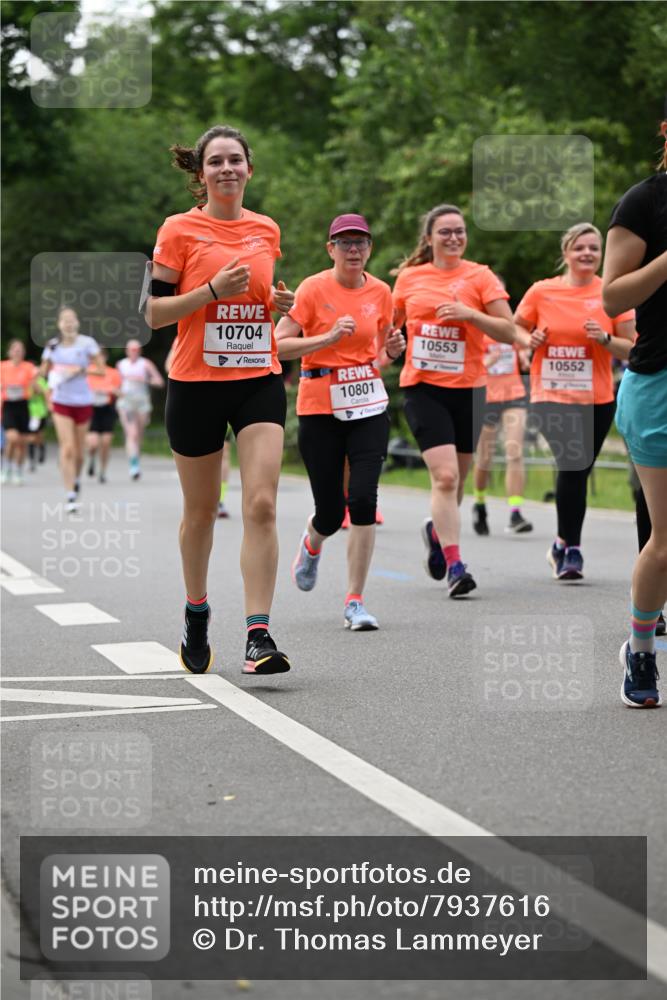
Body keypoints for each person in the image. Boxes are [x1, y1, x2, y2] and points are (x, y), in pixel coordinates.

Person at [146, 123, 294, 675]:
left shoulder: (266, 230)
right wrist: (210, 292)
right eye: (216, 162)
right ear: (201, 172)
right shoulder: (179, 230)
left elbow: (259, 298)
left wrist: (277, 301)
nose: (227, 169)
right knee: (202, 512)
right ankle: (196, 610)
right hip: (195, 384)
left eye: (236, 160)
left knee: (261, 503)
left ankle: (258, 635)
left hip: (257, 378)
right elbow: (154, 314)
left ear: (249, 169)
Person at [275, 213, 405, 630]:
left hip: (367, 403)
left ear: (370, 248)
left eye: (361, 243)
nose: (353, 250)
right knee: (330, 512)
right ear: (330, 249)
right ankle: (312, 544)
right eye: (345, 243)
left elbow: (381, 348)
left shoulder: (381, 292)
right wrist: (326, 338)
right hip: (319, 406)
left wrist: (393, 350)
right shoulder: (313, 289)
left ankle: (354, 601)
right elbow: (280, 346)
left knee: (364, 500)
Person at [392, 203, 515, 597]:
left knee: (457, 482)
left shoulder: (480, 277)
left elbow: (509, 330)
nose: (454, 237)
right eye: (445, 231)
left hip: (470, 388)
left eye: (459, 231)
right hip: (423, 387)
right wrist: (390, 344)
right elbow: (388, 327)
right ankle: (456, 564)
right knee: (444, 477)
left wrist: (470, 315)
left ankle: (436, 529)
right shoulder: (409, 279)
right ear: (429, 239)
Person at [514, 222, 635, 581]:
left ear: (602, 254)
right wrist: (529, 341)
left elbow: (633, 348)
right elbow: (515, 330)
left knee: (578, 471)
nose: (587, 254)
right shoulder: (541, 292)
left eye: (594, 248)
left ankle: (561, 542)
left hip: (596, 398)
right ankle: (574, 552)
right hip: (550, 395)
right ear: (566, 252)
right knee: (572, 462)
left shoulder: (612, 293)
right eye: (580, 247)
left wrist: (605, 339)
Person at [602, 105, 667, 708]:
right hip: (659, 382)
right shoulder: (644, 202)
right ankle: (642, 651)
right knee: (666, 542)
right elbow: (612, 294)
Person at [39, 307, 104, 512]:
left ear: (77, 322)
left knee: (79, 453)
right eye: (64, 320)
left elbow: (101, 370)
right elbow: (42, 372)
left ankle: (76, 479)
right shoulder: (52, 346)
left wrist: (82, 369)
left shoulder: (87, 344)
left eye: (71, 319)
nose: (68, 323)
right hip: (61, 401)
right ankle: (70, 494)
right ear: (59, 324)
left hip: (83, 401)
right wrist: (51, 373)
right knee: (66, 448)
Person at [472, 323, 533, 535]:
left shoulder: (510, 329)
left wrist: (525, 358)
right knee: (484, 459)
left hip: (514, 396)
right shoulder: (477, 330)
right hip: (486, 398)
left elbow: (523, 354)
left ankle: (515, 512)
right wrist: (486, 362)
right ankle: (479, 502)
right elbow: (467, 365)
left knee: (514, 452)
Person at [165, 338, 232, 518]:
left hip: (231, 392)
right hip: (198, 394)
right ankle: (200, 499)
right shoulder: (187, 333)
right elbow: (169, 364)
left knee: (224, 451)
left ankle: (220, 499)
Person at [116, 339, 164, 480]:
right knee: (132, 434)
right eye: (131, 349)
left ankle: (135, 457)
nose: (134, 352)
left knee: (139, 434)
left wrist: (145, 380)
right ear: (127, 351)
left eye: (136, 349)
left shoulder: (145, 364)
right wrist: (119, 392)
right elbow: (115, 384)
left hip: (142, 402)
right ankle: (134, 466)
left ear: (140, 351)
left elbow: (160, 382)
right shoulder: (121, 365)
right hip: (126, 402)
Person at [1, 340, 37, 485]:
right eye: (14, 349)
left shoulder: (29, 367)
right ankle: (6, 468)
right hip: (8, 405)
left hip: (23, 406)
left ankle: (18, 470)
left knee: (22, 443)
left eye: (20, 349)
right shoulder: (2, 366)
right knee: (12, 438)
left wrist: (36, 387)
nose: (17, 352)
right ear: (9, 352)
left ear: (23, 353)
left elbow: (35, 388)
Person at [86, 348, 122, 483]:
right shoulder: (87, 371)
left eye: (100, 356)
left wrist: (112, 391)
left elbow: (120, 392)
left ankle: (103, 471)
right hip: (91, 409)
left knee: (106, 443)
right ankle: (91, 459)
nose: (98, 359)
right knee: (93, 444)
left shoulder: (113, 373)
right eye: (95, 357)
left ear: (105, 357)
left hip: (107, 409)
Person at [27, 372, 50, 471]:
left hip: (40, 413)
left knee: (39, 436)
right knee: (31, 438)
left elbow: (45, 394)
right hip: (29, 413)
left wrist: (35, 385)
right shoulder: (25, 381)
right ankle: (32, 461)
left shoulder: (41, 381)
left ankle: (42, 447)